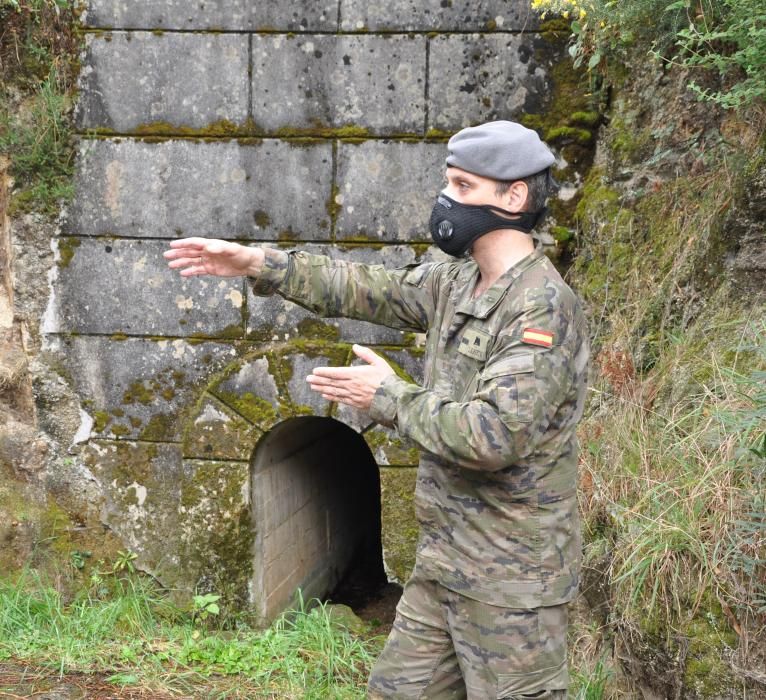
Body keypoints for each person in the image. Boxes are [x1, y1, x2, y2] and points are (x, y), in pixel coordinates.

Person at [164, 120, 589, 699]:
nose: (447, 200)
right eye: (448, 184)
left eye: (464, 187)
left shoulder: (541, 309)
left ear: (513, 197)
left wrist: (385, 396)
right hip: (443, 566)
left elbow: (495, 436)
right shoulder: (460, 281)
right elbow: (365, 286)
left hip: (512, 583)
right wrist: (257, 263)